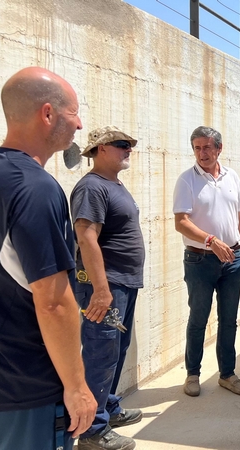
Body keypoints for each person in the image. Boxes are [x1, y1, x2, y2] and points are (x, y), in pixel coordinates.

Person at [0, 67, 96, 449]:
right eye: (73, 113)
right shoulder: (35, 188)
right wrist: (78, 387)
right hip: (25, 392)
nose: (80, 125)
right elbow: (53, 301)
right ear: (47, 113)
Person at [70, 126, 145, 450]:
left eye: (129, 144)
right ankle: (91, 430)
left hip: (122, 285)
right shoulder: (92, 187)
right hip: (107, 287)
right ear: (100, 149)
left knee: (116, 350)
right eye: (121, 144)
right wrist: (101, 290)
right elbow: (85, 236)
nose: (128, 148)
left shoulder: (113, 184)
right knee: (101, 353)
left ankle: (107, 408)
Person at [173, 126, 240, 397]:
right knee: (198, 319)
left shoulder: (232, 177)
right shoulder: (187, 180)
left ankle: (227, 375)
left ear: (219, 148)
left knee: (229, 320)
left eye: (207, 147)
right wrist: (211, 241)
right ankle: (193, 374)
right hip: (200, 260)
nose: (202, 153)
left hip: (232, 259)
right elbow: (181, 222)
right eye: (197, 147)